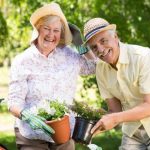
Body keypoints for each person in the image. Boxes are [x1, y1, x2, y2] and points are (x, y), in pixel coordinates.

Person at [7, 2, 96, 150]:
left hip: (63, 134)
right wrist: (27, 116)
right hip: (31, 135)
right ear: (37, 30)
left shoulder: (69, 55)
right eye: (46, 29)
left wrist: (80, 43)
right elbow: (13, 102)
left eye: (56, 30)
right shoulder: (22, 61)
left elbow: (93, 67)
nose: (51, 35)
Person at [82, 17, 150, 150]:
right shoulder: (101, 69)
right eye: (94, 47)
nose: (100, 50)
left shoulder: (144, 57)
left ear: (116, 37)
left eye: (103, 41)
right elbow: (115, 110)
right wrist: (90, 128)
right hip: (133, 131)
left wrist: (114, 118)